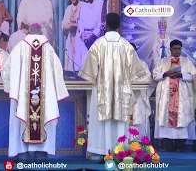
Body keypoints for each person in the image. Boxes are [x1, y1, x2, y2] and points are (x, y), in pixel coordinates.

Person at [78, 13, 146, 159]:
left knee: (102, 122)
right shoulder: (126, 45)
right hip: (121, 90)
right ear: (119, 26)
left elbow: (89, 72)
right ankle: (120, 152)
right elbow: (136, 72)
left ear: (105, 24)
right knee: (119, 123)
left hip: (102, 90)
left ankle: (104, 153)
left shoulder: (97, 44)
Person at [2, 23, 69, 162]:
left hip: (24, 97)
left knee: (21, 115)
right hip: (43, 96)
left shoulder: (19, 47)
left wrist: (13, 88)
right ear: (40, 32)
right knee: (44, 114)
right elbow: (58, 71)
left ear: (28, 32)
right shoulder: (48, 49)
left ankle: (22, 153)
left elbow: (7, 69)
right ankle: (41, 153)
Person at [153, 39, 196, 152]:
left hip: (181, 95)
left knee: (182, 119)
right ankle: (167, 146)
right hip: (167, 95)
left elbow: (193, 76)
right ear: (170, 49)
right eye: (175, 48)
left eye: (179, 48)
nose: (177, 51)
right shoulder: (163, 61)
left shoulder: (186, 61)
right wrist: (166, 73)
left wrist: (181, 75)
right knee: (165, 118)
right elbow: (155, 75)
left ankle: (180, 146)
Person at [130, 43, 154, 138]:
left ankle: (140, 142)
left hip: (139, 95)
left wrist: (133, 82)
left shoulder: (142, 64)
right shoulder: (118, 63)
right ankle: (122, 142)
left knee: (139, 114)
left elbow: (148, 78)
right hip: (124, 95)